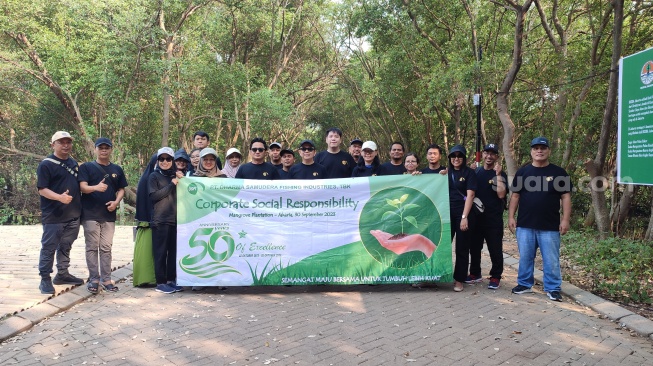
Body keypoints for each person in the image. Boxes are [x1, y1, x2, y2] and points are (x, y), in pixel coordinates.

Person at [509, 137, 572, 302]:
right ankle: (524, 283)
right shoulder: (523, 172)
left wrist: (565, 220)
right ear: (531, 151)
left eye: (542, 148)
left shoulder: (559, 173)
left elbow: (565, 197)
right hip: (525, 224)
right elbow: (515, 196)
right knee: (525, 257)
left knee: (551, 259)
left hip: (550, 226)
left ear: (548, 150)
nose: (539, 151)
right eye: (536, 148)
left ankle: (553, 288)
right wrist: (510, 217)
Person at [36, 131, 85, 294]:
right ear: (53, 145)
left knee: (66, 246)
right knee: (49, 247)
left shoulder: (73, 163)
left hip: (73, 215)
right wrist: (59, 198)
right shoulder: (46, 165)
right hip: (53, 216)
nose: (65, 145)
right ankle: (45, 279)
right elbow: (42, 189)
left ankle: (62, 274)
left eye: (68, 142)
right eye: (61, 142)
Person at [78, 137, 128, 294]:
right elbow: (83, 188)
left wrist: (116, 202)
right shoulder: (86, 167)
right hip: (90, 213)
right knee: (92, 247)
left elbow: (121, 189)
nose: (104, 150)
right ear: (96, 149)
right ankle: (94, 279)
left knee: (106, 247)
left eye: (107, 147)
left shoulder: (117, 170)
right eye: (101, 147)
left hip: (108, 215)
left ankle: (106, 279)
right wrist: (96, 187)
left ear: (111, 149)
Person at [468, 144, 507, 290]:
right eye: (487, 153)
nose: (489, 156)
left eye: (493, 154)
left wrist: (497, 175)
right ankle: (475, 273)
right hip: (476, 218)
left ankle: (495, 276)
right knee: (474, 247)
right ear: (482, 155)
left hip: (493, 219)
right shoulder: (476, 172)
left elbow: (501, 194)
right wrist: (470, 172)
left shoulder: (500, 174)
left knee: (495, 249)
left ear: (497, 156)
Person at [149, 147, 182, 294]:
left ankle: (170, 280)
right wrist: (171, 184)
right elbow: (154, 196)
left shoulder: (176, 176)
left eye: (168, 159)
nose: (165, 162)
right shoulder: (154, 176)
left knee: (173, 253)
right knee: (160, 253)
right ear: (158, 161)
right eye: (161, 159)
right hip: (160, 220)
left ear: (172, 161)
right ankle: (160, 282)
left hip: (175, 220)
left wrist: (182, 180)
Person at [447, 145, 478, 293]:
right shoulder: (445, 173)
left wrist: (464, 217)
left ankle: (459, 279)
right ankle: (440, 275)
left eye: (459, 156)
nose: (456, 158)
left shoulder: (469, 173)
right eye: (453, 156)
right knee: (443, 245)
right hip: (446, 214)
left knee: (462, 248)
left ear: (464, 158)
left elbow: (470, 195)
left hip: (463, 213)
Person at [133, 153, 157, 286]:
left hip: (156, 220)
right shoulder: (147, 178)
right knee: (146, 251)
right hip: (146, 221)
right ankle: (145, 278)